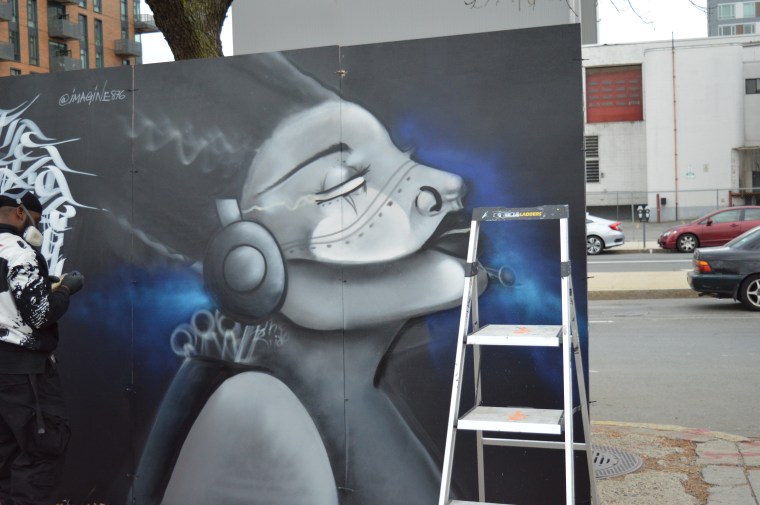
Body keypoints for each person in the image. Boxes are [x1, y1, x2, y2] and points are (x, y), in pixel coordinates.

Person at [0, 189, 84, 505]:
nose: (38, 227)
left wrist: (42, 287)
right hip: (26, 375)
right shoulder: (20, 253)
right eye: (37, 220)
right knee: (41, 454)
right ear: (20, 213)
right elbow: (39, 315)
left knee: (5, 458)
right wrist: (66, 290)